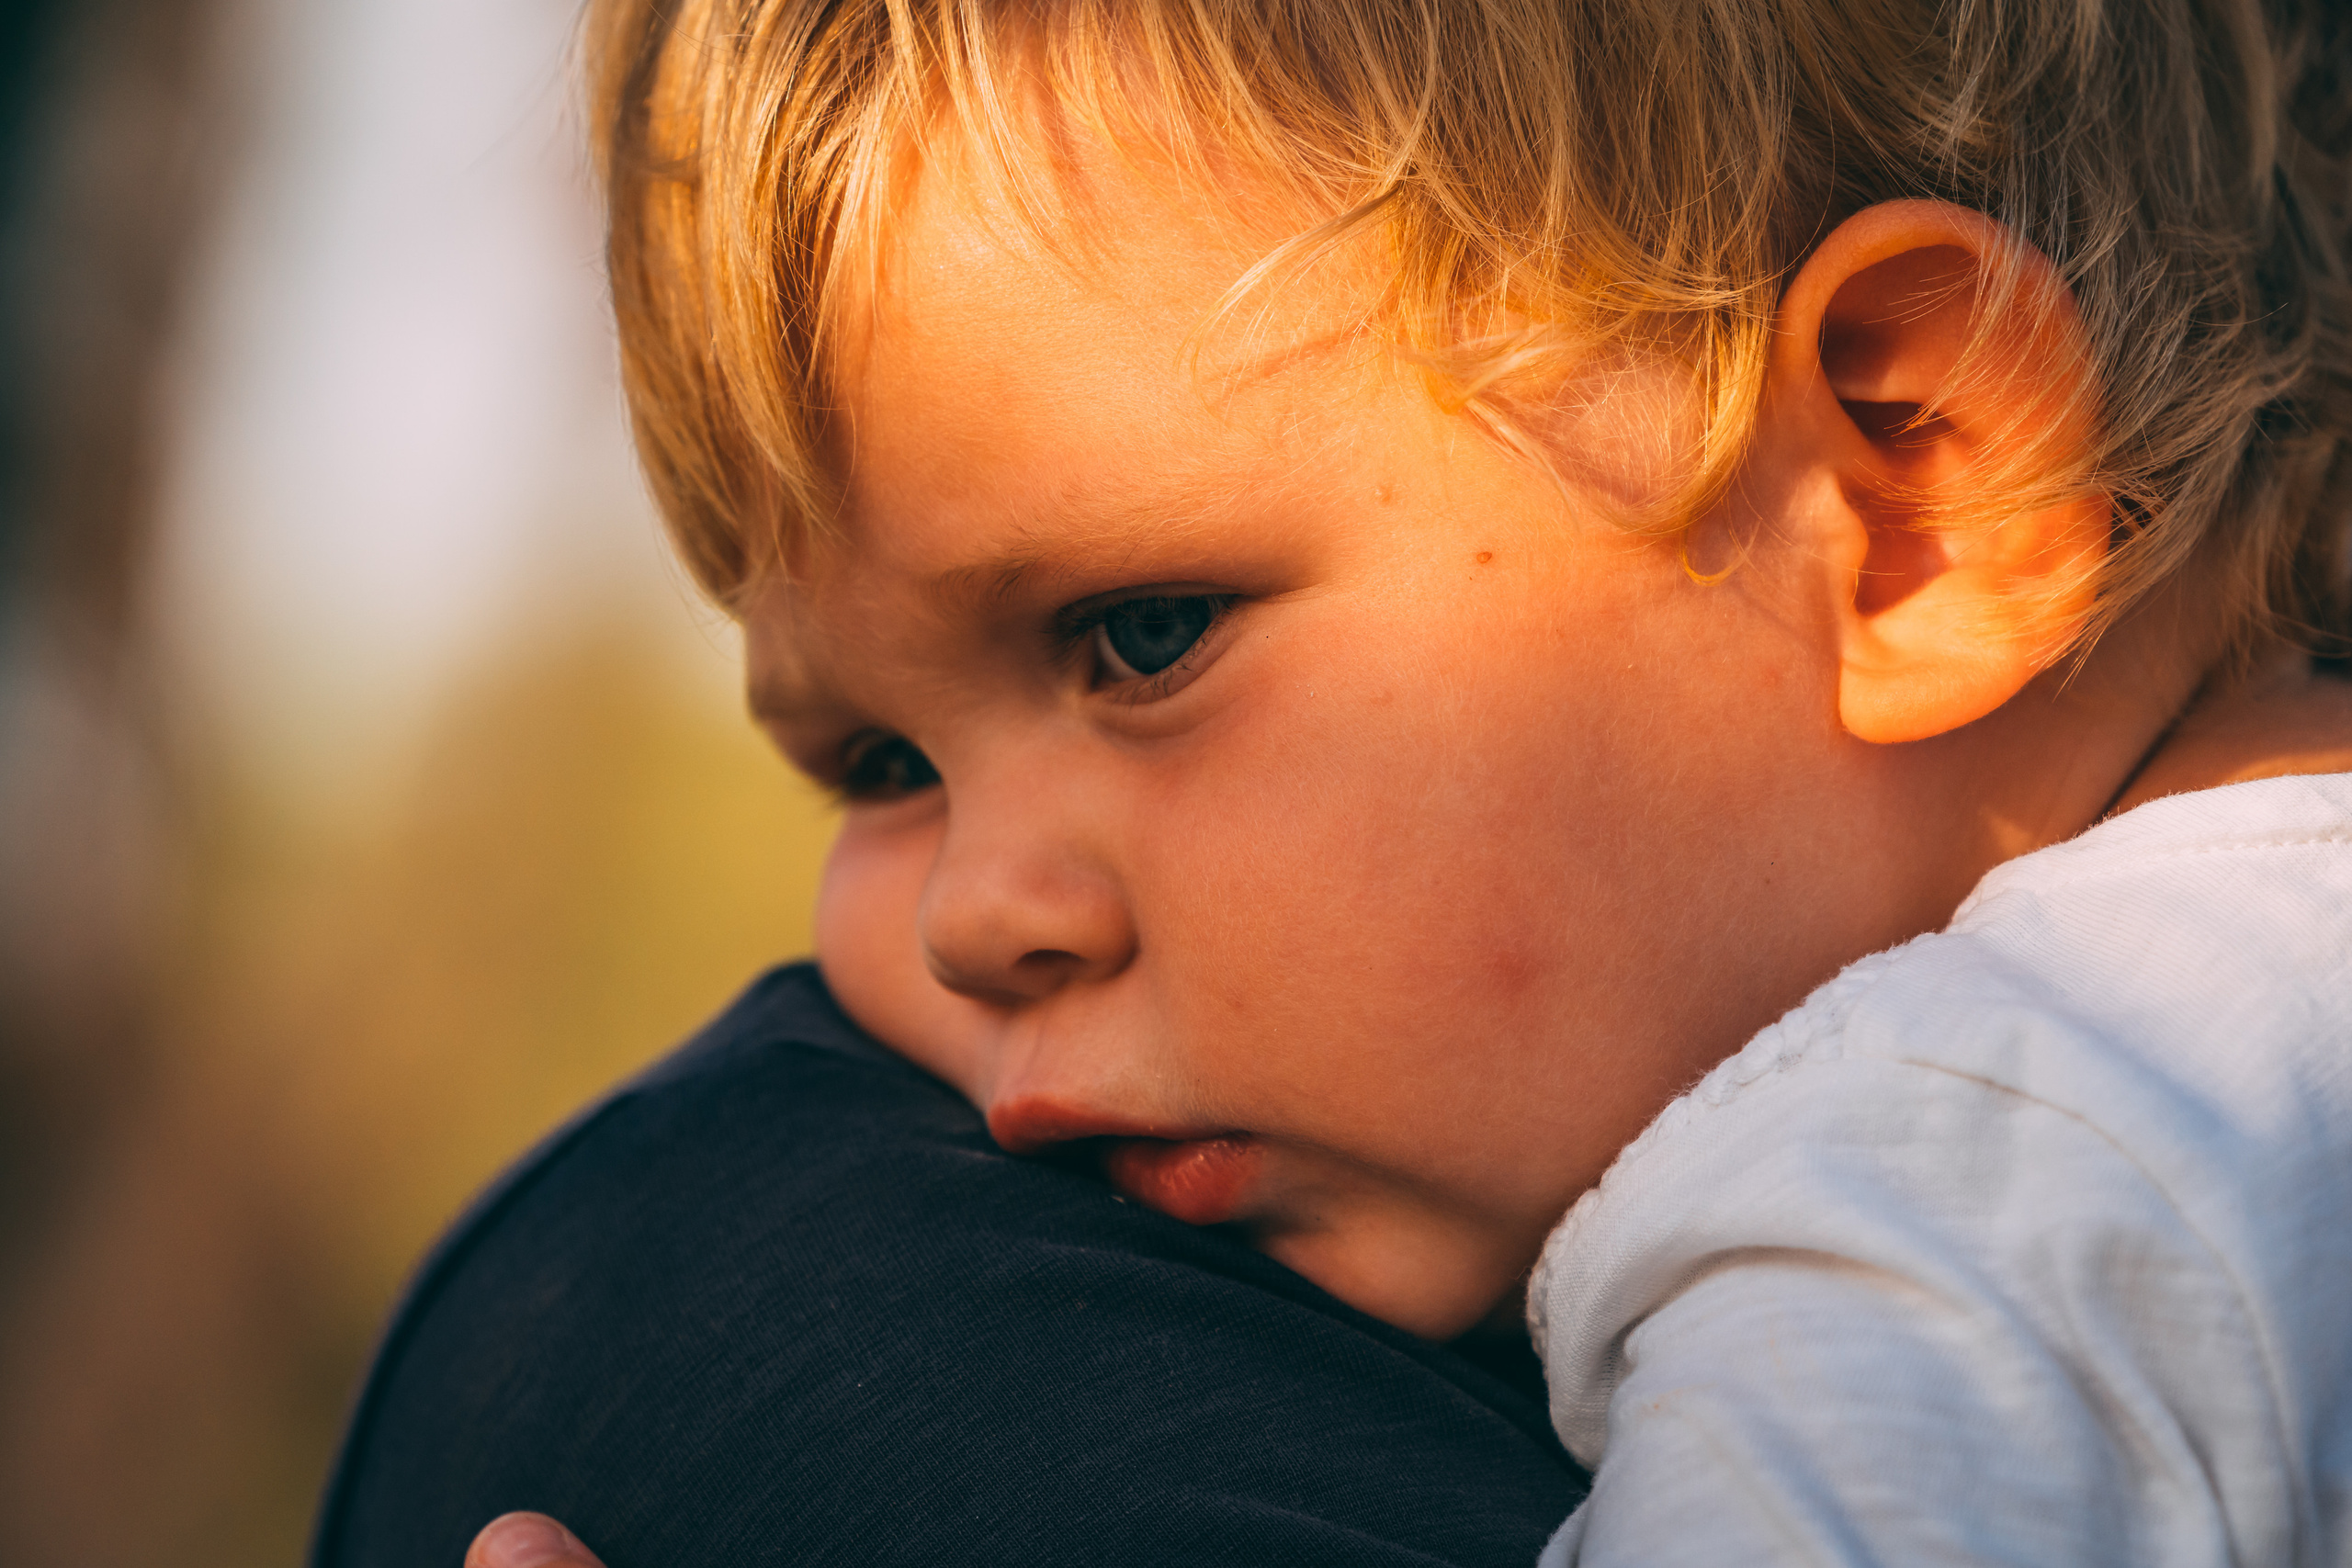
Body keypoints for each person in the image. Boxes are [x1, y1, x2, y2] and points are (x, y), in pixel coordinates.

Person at [319, 0, 2352, 1561]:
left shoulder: (1959, 1210)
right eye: (882, 761)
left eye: (1142, 634)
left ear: (1907, 496)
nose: (970, 914)